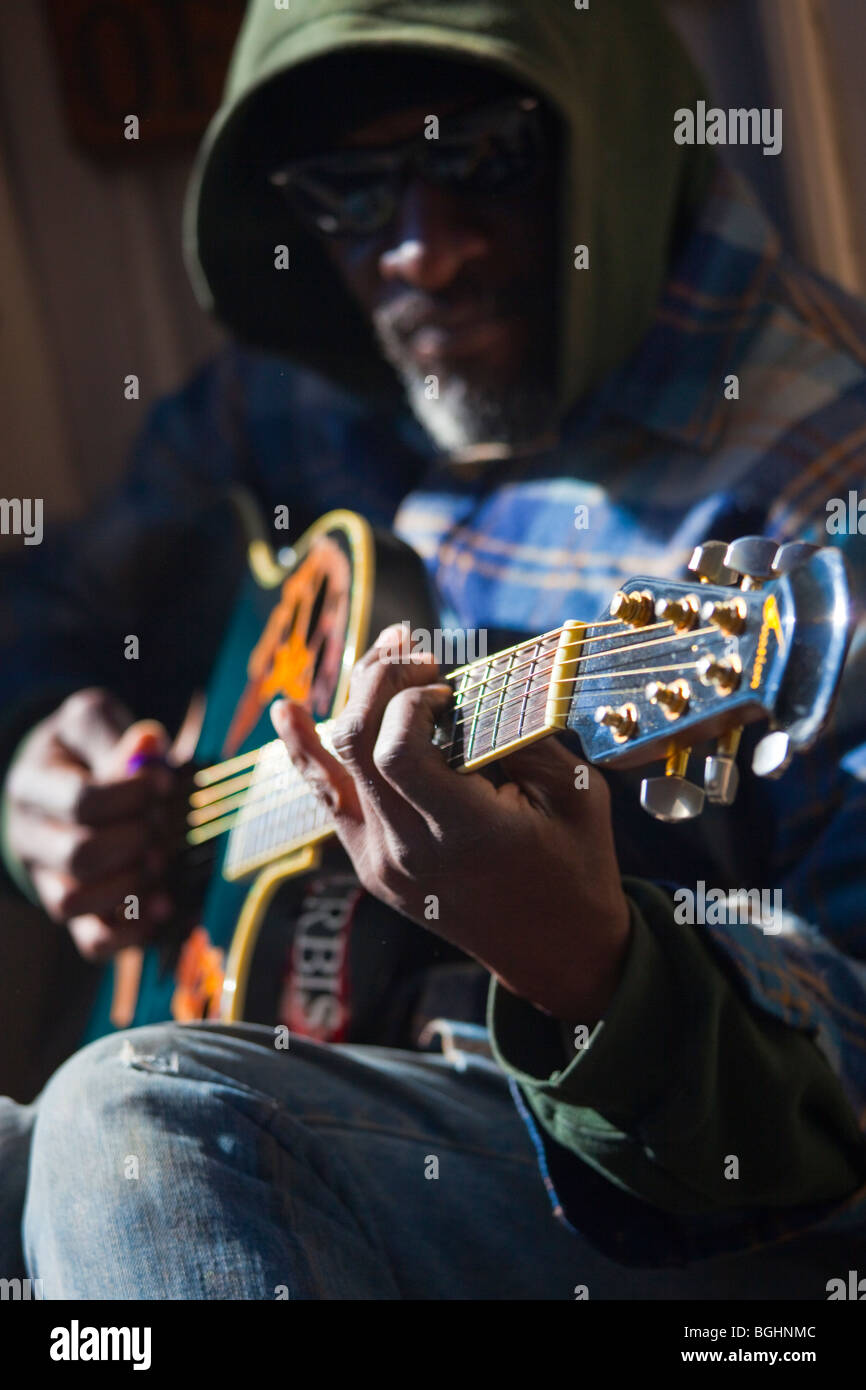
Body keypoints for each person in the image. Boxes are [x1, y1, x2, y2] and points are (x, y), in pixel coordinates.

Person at [2, 0, 866, 1299]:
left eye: (484, 160)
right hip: (293, 1091)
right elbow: (51, 608)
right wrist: (30, 773)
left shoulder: (819, 470)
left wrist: (592, 972)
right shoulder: (306, 391)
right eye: (351, 190)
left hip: (670, 1205)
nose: (424, 253)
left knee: (135, 1127)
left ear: (612, 135)